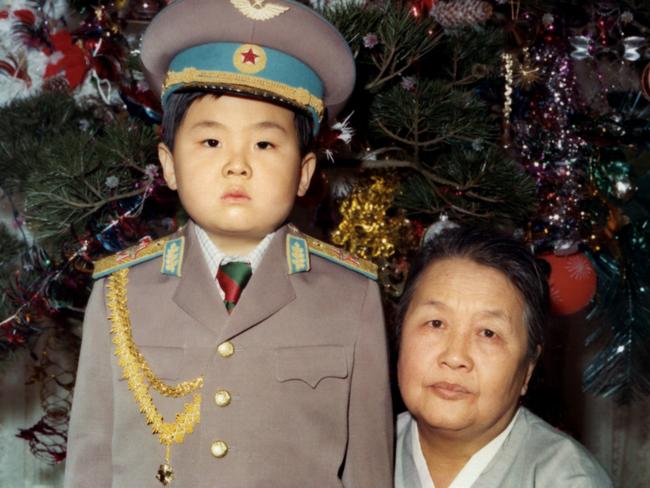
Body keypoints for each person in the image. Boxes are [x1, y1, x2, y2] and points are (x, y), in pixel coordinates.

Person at [63, 0, 393, 486]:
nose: (237, 165)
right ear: (169, 163)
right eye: (211, 142)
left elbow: (369, 469)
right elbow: (90, 463)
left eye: (264, 144)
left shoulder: (351, 295)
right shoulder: (121, 293)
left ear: (304, 173)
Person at [394, 225, 612, 488]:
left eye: (488, 333)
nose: (454, 357)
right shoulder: (356, 447)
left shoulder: (569, 480)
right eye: (436, 323)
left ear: (528, 369)